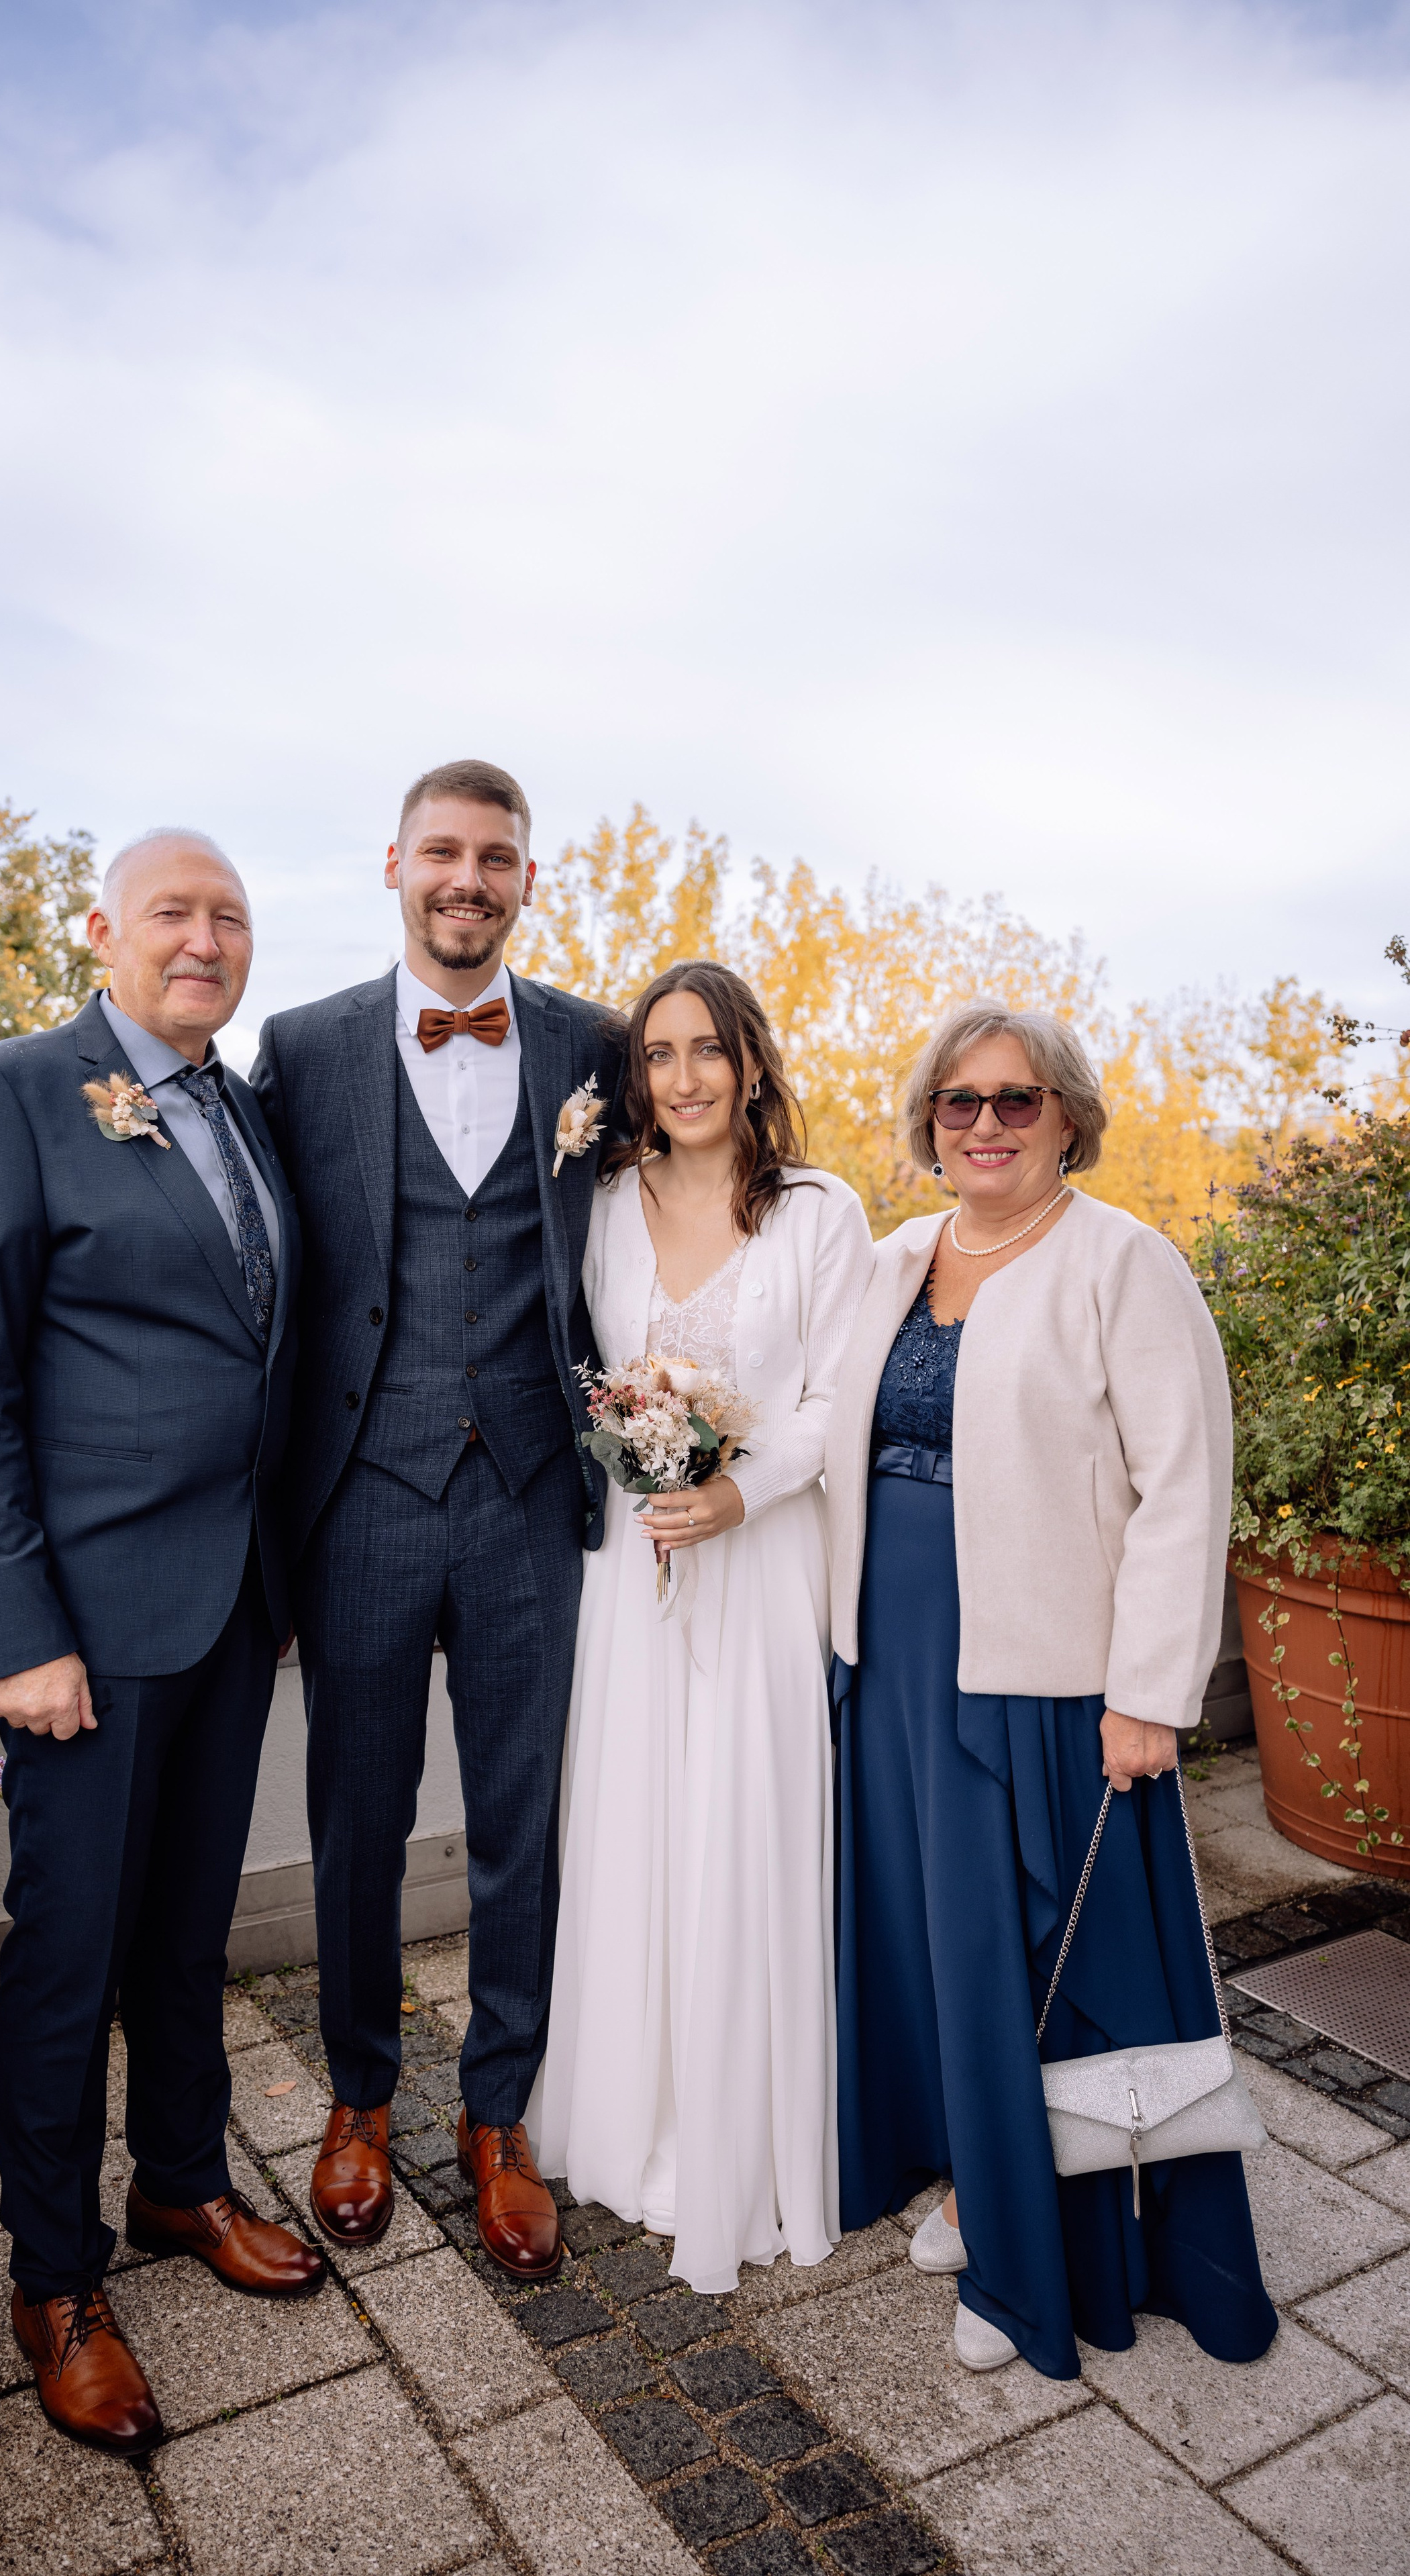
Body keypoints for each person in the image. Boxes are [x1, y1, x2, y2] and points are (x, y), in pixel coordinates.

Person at [0, 828, 324, 2459]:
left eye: (230, 916)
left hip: (227, 1607)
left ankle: (177, 2182)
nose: (206, 938)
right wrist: (14, 1627)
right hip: (78, 1628)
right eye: (176, 911)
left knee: (183, 1933)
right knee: (69, 1955)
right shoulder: (13, 1091)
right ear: (103, 929)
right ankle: (52, 2277)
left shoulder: (244, 1107)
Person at [823, 1001, 1276, 2379]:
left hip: (1043, 1681)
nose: (983, 1124)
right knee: (928, 1951)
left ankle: (1041, 2254)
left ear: (1067, 1114)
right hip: (892, 1668)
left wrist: (1146, 1692)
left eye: (1014, 1099)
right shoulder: (900, 1253)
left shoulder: (1122, 1261)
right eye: (957, 1102)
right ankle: (970, 2178)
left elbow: (1180, 1487)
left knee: (1029, 1959)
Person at [250, 758, 622, 2279]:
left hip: (535, 1490)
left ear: (527, 877)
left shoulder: (594, 1044)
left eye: (497, 856)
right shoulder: (303, 1044)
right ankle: (357, 2094)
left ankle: (498, 2110)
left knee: (523, 1818)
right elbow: (255, 1259)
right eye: (443, 853)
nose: (467, 878)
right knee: (357, 1815)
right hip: (362, 1498)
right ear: (393, 863)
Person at [532, 962, 873, 2292]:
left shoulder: (815, 1212)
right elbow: (578, 1368)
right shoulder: (602, 1203)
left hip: (761, 1557)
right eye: (657, 1053)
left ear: (747, 1062)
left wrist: (736, 1489)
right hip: (634, 1565)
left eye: (706, 1049)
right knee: (632, 1824)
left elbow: (836, 1399)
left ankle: (738, 2141)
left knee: (742, 1826)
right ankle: (630, 2117)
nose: (681, 1077)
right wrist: (651, 1468)